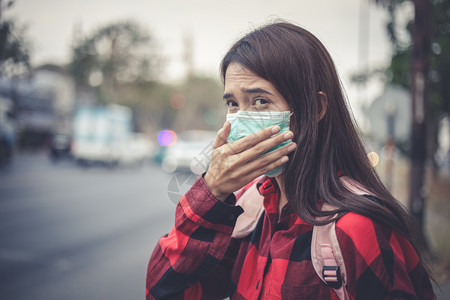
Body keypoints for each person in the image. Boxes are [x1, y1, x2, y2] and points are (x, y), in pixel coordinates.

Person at [146, 21, 436, 299]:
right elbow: (166, 289)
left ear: (316, 108)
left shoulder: (357, 228)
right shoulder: (248, 209)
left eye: (260, 101)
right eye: (233, 103)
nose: (241, 118)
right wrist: (212, 192)